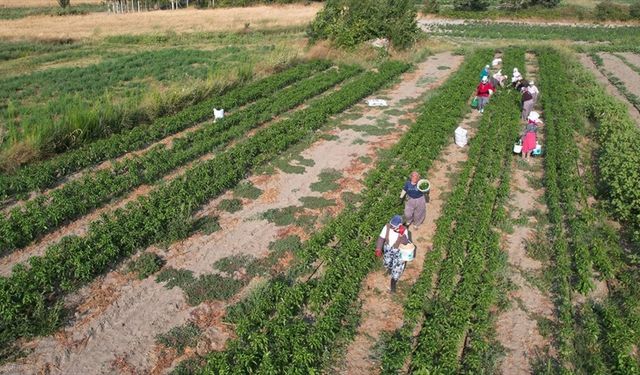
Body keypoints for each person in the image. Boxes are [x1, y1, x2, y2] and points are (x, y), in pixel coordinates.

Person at [375, 215, 410, 293]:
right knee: (387, 261)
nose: (392, 227)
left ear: (400, 225)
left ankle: (393, 283)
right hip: (388, 248)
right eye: (392, 225)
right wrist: (378, 248)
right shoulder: (387, 227)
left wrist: (401, 235)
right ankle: (389, 269)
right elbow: (381, 238)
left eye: (394, 227)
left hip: (399, 250)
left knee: (398, 267)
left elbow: (405, 243)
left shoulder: (404, 230)